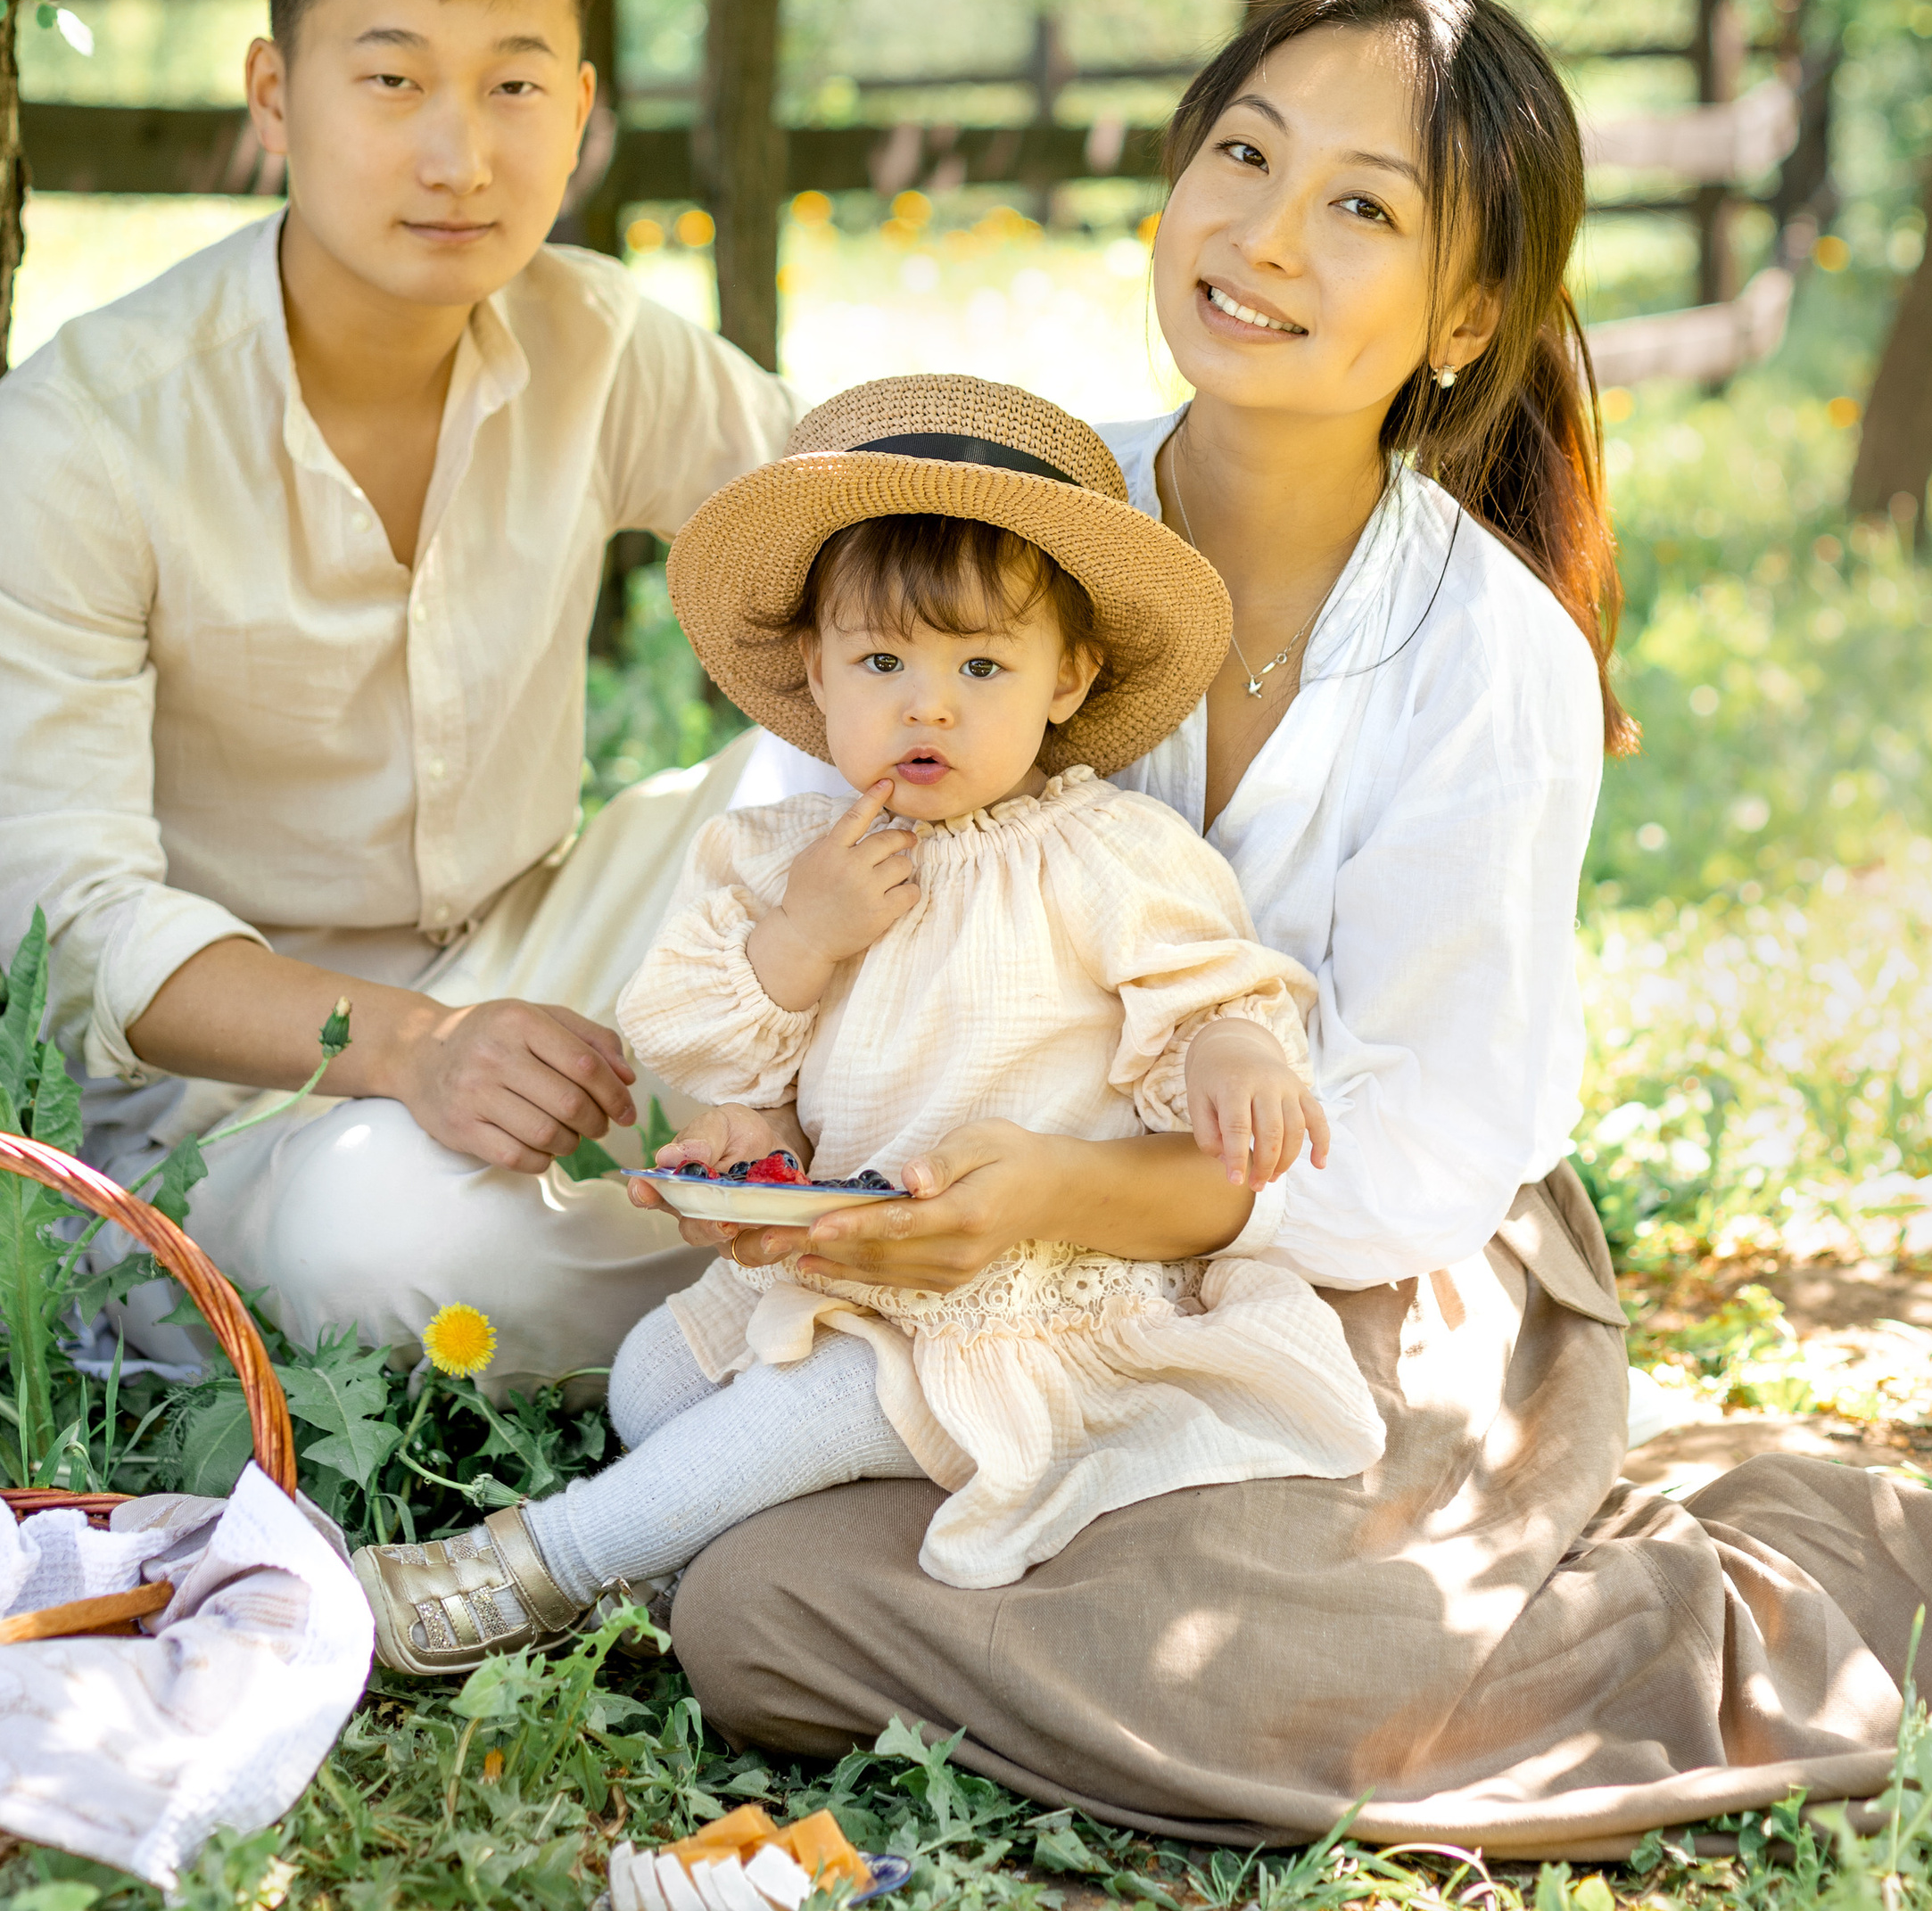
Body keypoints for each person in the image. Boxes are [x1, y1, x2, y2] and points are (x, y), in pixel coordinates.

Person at [661, 0, 1932, 1856]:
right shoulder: (983, 519)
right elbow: (770, 875)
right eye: (1240, 155)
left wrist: (1079, 1193)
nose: (1261, 233)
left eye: (1362, 206)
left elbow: (1415, 1155)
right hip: (961, 1271)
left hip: (1375, 1288)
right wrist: (767, 1127)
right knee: (752, 1603)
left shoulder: (1482, 650)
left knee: (1103, 1643)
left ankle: (1711, 1618)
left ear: (1462, 315)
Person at [0, 0, 793, 1378]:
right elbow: (81, 931)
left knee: (914, 773)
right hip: (251, 1098)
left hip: (546, 954)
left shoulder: (598, 340)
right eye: (391, 80)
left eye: (515, 85)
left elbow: (874, 535)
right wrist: (414, 1050)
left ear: (581, 111)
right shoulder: (81, 441)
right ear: (276, 97)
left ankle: (824, 1212)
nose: (460, 155)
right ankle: (814, 1281)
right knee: (383, 1248)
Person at [353, 375, 1388, 1675]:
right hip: (833, 1268)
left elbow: (1214, 996)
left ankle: (531, 1570)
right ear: (815, 671)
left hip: (1025, 1289)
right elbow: (700, 1037)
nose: (929, 705)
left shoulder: (1108, 855)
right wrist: (793, 966)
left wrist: (1237, 1053)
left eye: (981, 666)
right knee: (647, 1386)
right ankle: (711, 1518)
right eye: (883, 662)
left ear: (1068, 678)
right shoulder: (782, 857)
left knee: (815, 1404)